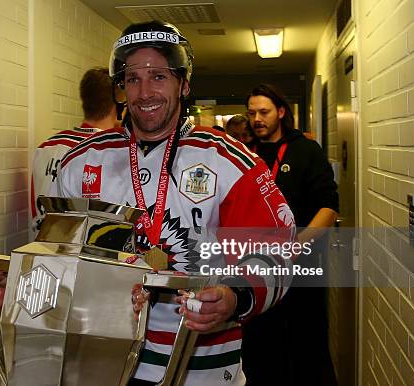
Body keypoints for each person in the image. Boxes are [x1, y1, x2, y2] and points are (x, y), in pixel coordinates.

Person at [57, 21, 295, 386]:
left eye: (158, 76)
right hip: (103, 363)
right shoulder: (81, 162)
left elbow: (278, 249)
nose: (144, 91)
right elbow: (61, 258)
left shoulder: (227, 160)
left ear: (183, 84)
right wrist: (16, 289)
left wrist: (236, 296)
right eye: (133, 78)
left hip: (202, 369)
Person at [0, 67, 122, 311]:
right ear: (118, 102)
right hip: (89, 278)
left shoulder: (46, 146)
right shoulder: (111, 152)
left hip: (40, 268)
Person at [242, 83, 339, 386]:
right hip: (257, 270)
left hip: (302, 271)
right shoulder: (245, 154)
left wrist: (295, 245)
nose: (257, 118)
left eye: (264, 112)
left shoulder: (306, 150)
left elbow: (329, 207)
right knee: (261, 353)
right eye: (252, 113)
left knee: (306, 352)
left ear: (281, 112)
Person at [29, 66, 123, 239]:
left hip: (41, 251)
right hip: (84, 260)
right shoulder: (110, 153)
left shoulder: (46, 147)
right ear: (116, 105)